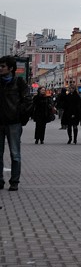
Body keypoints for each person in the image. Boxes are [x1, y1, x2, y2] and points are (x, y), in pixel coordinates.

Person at [0, 55, 30, 191]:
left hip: (14, 123)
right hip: (0, 122)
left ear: (11, 68)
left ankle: (14, 181)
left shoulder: (19, 82)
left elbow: (28, 101)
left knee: (15, 153)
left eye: (3, 66)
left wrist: (19, 115)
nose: (0, 68)